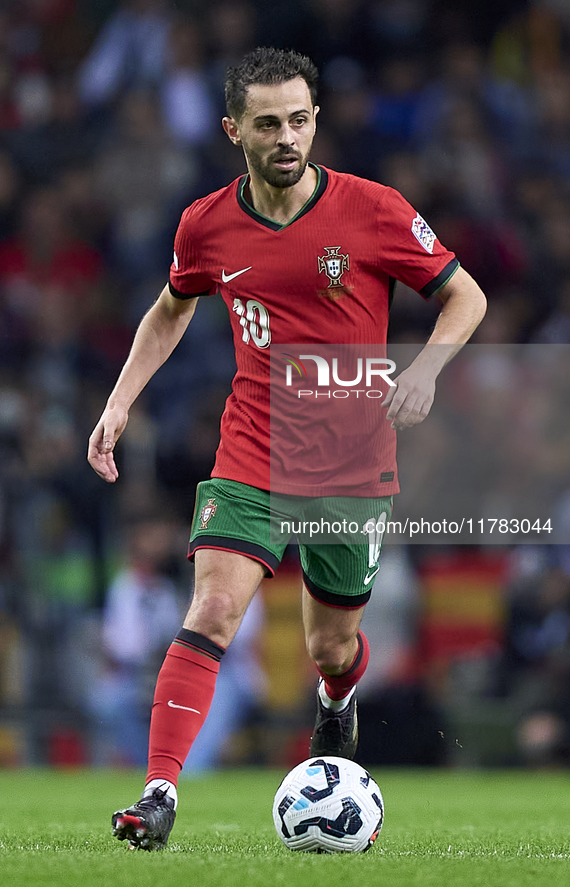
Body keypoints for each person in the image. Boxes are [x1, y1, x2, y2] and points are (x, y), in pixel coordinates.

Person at [87, 47, 487, 850]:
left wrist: (425, 370)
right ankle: (159, 793)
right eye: (267, 123)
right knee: (213, 608)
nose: (286, 137)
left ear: (314, 121)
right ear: (234, 130)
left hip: (351, 465)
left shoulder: (371, 210)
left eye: (298, 119)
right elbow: (171, 308)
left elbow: (463, 295)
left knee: (328, 644)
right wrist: (119, 401)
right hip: (252, 451)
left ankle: (334, 701)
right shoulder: (205, 223)